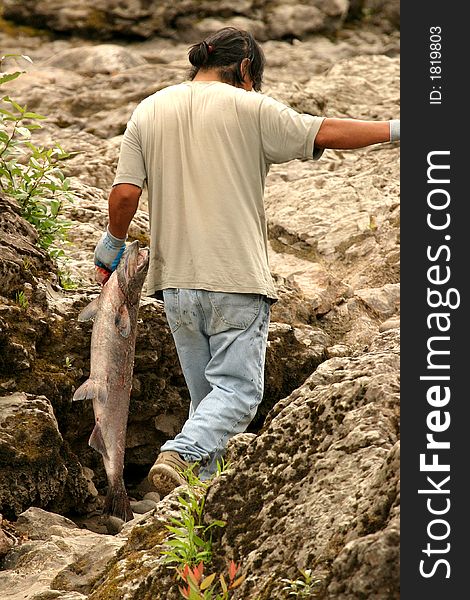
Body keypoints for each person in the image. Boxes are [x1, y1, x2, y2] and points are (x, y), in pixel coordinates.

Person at [93, 26, 400, 496]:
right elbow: (328, 131)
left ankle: (195, 508)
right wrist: (404, 127)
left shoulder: (149, 109)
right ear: (243, 69)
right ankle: (181, 453)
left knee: (209, 403)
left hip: (175, 285)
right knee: (238, 395)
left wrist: (110, 250)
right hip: (235, 278)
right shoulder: (251, 107)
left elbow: (125, 194)